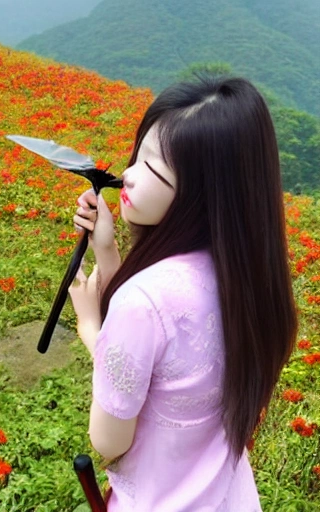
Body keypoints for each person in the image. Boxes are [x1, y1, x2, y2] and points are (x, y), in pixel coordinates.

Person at [68, 75, 297, 511]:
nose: (128, 177)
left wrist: (90, 327)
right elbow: (174, 369)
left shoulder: (143, 302)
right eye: (137, 156)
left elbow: (108, 441)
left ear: (203, 195)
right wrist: (107, 248)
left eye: (152, 168)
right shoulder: (249, 277)